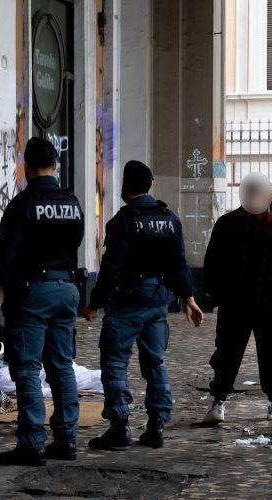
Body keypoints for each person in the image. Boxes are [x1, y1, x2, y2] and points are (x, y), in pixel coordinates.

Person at [78, 161, 203, 450]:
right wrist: (189, 298)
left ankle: (119, 428)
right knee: (155, 362)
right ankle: (156, 426)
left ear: (125, 186)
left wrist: (94, 304)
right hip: (159, 300)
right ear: (150, 185)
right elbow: (179, 263)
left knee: (114, 361)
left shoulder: (123, 221)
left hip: (127, 301)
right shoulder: (169, 219)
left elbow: (111, 267)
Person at [0, 137, 85, 466]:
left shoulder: (23, 204)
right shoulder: (72, 203)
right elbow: (76, 242)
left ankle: (32, 444)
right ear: (55, 165)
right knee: (62, 367)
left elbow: (4, 256)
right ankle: (67, 439)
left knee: (26, 370)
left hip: (32, 293)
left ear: (26, 166)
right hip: (66, 288)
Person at [202, 173, 272, 424]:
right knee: (270, 353)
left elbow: (212, 263)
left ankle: (218, 404)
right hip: (265, 301)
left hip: (233, 301)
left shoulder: (225, 223)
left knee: (227, 352)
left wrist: (211, 294)